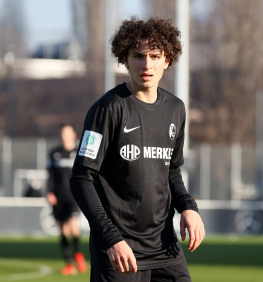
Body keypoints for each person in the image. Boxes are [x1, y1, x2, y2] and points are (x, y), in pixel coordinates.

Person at [70, 17, 205, 282]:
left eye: (155, 56)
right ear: (125, 59)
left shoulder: (175, 109)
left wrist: (188, 207)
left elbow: (171, 169)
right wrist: (110, 239)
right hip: (120, 251)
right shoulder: (107, 109)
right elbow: (81, 178)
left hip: (165, 248)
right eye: (138, 56)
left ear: (168, 60)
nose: (147, 65)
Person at [47, 124, 87, 275]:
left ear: (73, 134)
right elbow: (50, 175)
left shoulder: (79, 152)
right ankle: (69, 264)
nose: (64, 136)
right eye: (62, 133)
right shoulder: (54, 153)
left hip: (74, 196)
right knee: (63, 230)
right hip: (58, 197)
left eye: (66, 133)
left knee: (74, 225)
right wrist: (50, 192)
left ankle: (78, 254)